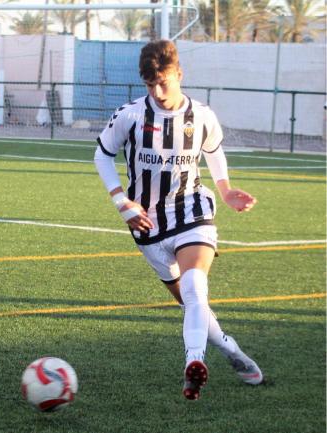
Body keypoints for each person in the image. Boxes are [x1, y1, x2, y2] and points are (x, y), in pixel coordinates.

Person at [94, 40, 263, 400]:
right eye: (150, 84)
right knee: (190, 302)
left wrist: (226, 190)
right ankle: (233, 351)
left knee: (194, 286)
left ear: (179, 74)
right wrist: (120, 200)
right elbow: (102, 156)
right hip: (147, 224)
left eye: (164, 82)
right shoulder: (130, 115)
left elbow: (214, 153)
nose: (157, 91)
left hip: (193, 211)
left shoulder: (202, 115)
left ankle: (193, 364)